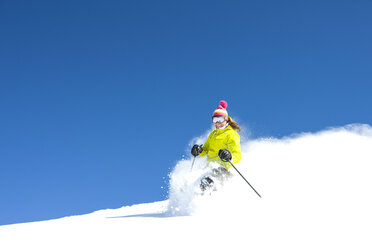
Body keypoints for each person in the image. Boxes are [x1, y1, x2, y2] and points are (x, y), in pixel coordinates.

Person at [191, 100, 242, 191]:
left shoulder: (231, 134)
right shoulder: (213, 134)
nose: (217, 123)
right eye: (215, 120)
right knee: (199, 185)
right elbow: (205, 150)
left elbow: (238, 155)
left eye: (220, 119)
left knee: (206, 184)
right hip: (210, 169)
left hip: (224, 170)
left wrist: (229, 156)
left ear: (226, 120)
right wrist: (199, 150)